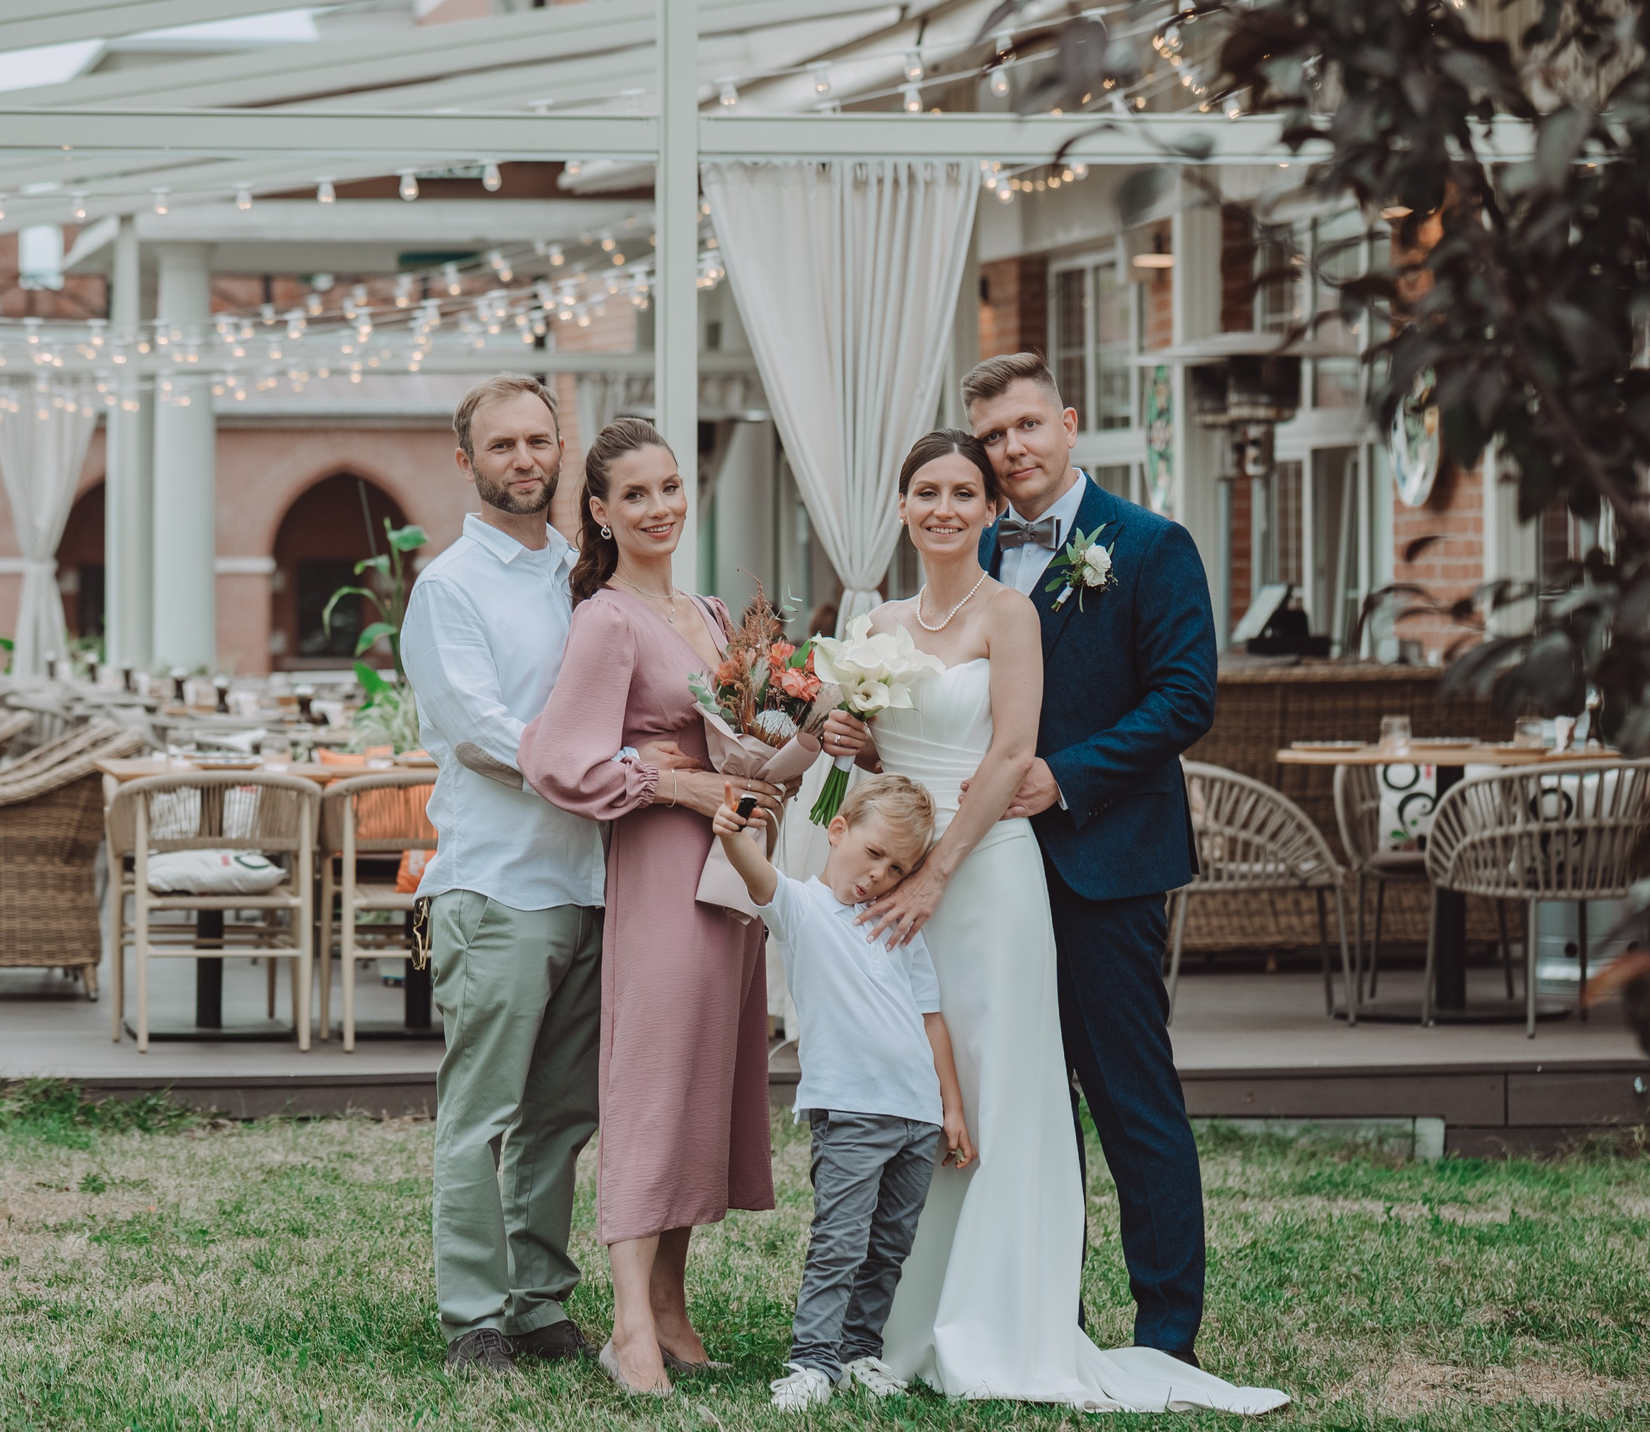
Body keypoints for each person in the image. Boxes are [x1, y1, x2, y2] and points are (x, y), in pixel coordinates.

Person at [816, 423, 1282, 1413]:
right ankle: (898, 1316)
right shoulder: (877, 621)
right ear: (901, 506)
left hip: (983, 878)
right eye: (925, 491)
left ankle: (1006, 1319)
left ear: (990, 510)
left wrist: (938, 872)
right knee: (911, 1085)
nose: (943, 507)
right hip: (902, 876)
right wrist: (847, 739)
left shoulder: (1011, 614)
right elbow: (876, 755)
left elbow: (1007, 754)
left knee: (1005, 1090)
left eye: (963, 492)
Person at [517, 417, 790, 1399]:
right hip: (661, 868)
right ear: (599, 511)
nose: (659, 506)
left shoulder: (706, 611)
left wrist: (804, 737)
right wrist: (675, 788)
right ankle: (627, 1326)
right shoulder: (607, 619)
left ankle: (673, 1305)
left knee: (704, 1080)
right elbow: (556, 756)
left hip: (730, 870)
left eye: (670, 486)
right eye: (634, 494)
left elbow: (739, 743)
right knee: (650, 1085)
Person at [396, 376, 607, 1375]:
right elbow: (483, 736)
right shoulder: (449, 587)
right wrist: (616, 775)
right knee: (481, 1113)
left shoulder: (584, 572)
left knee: (560, 1117)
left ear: (559, 448)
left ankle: (540, 1302)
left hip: (594, 883)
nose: (524, 458)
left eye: (538, 440)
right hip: (498, 885)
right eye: (502, 445)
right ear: (466, 461)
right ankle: (475, 1316)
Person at [708, 774, 973, 1411]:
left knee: (888, 1248)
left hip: (916, 1113)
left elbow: (931, 1019)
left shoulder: (900, 926)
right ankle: (811, 1362)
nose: (880, 873)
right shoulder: (802, 905)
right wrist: (736, 834)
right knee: (841, 1243)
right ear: (838, 831)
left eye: (898, 866)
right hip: (852, 1112)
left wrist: (952, 1109)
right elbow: (755, 873)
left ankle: (857, 1352)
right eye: (873, 852)